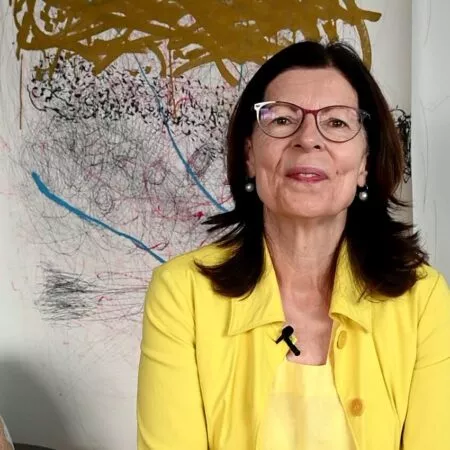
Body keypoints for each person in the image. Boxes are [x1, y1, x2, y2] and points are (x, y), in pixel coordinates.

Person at [137, 40, 450, 449]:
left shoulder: (422, 300)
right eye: (283, 119)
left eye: (336, 123)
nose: (308, 139)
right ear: (249, 155)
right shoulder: (182, 293)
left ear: (364, 164)